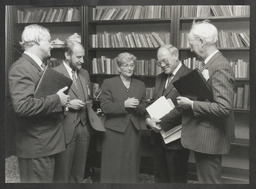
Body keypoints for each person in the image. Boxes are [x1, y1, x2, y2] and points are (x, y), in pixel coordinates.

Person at [8, 24, 70, 183]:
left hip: (48, 144)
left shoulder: (39, 66)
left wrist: (60, 103)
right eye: (49, 41)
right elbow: (22, 106)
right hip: (37, 148)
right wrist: (57, 99)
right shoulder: (21, 68)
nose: (52, 45)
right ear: (36, 41)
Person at [176, 20, 235, 183]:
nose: (190, 48)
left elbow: (224, 108)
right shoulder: (210, 63)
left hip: (210, 138)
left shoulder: (220, 65)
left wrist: (191, 104)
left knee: (209, 181)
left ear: (201, 41)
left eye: (191, 43)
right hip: (205, 136)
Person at [53, 40, 105, 183]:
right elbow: (48, 102)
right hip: (65, 128)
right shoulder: (55, 73)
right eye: (78, 57)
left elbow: (86, 95)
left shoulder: (84, 73)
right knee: (63, 172)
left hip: (84, 127)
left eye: (83, 57)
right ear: (67, 55)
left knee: (79, 171)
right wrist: (68, 104)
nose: (82, 60)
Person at [145, 45, 191, 183]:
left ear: (175, 55)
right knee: (160, 178)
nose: (162, 65)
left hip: (176, 141)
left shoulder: (189, 75)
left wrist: (159, 123)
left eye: (165, 61)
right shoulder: (160, 77)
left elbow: (184, 108)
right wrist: (148, 120)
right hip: (157, 137)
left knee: (177, 179)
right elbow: (154, 103)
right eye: (159, 63)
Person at [100, 52, 147, 183]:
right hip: (114, 130)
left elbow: (144, 107)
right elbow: (105, 107)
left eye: (132, 65)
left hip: (133, 130)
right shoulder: (109, 83)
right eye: (126, 66)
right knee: (113, 164)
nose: (130, 68)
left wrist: (137, 107)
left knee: (131, 163)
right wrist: (124, 105)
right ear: (119, 68)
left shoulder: (140, 85)